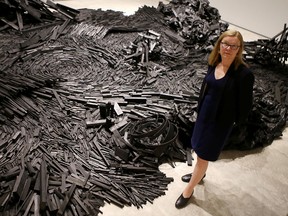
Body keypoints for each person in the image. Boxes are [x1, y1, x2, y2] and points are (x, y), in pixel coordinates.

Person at [175, 29, 254, 209]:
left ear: (239, 49)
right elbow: (207, 88)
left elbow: (246, 104)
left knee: (203, 156)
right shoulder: (214, 63)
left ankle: (188, 190)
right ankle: (200, 175)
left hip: (220, 123)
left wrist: (234, 121)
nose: (228, 48)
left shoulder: (244, 75)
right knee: (197, 147)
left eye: (233, 46)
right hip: (204, 115)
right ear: (219, 46)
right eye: (225, 44)